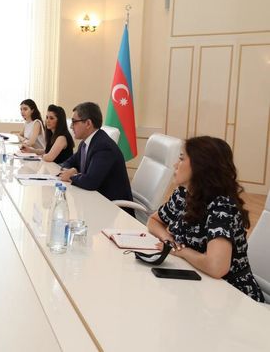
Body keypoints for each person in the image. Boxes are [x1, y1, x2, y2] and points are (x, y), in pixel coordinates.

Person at [147, 136, 264, 302]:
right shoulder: (183, 194)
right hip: (197, 285)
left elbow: (216, 267)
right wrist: (168, 240)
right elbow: (153, 221)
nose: (175, 165)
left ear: (200, 166)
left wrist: (180, 251)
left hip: (232, 297)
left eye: (181, 159)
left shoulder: (221, 207)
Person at [59, 102, 133, 207]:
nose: (71, 126)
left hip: (114, 208)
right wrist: (71, 170)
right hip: (95, 200)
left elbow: (90, 182)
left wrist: (71, 176)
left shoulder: (103, 146)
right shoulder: (85, 143)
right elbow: (67, 163)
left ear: (88, 123)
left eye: (74, 122)